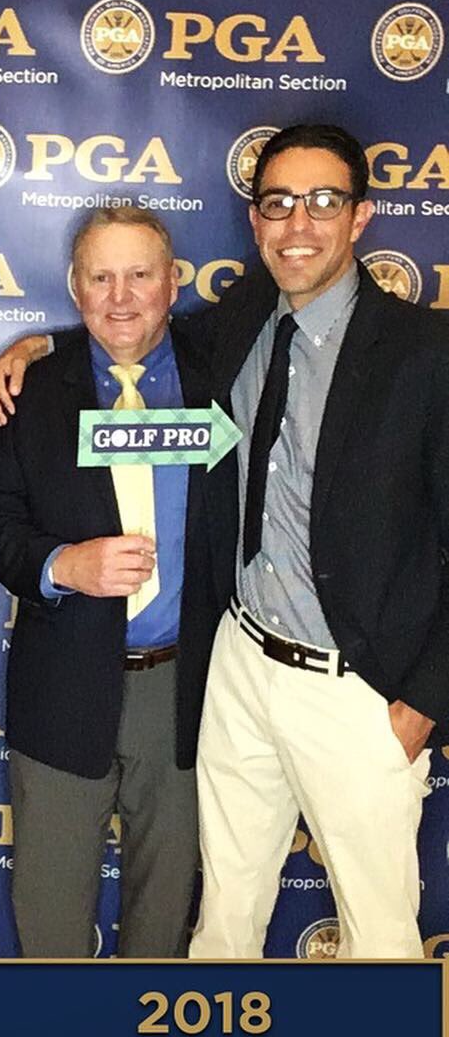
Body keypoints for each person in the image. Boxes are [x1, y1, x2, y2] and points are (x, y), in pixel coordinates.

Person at [188, 124, 448, 959]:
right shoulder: (240, 322)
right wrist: (42, 345)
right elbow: (137, 337)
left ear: (361, 216)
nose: (298, 224)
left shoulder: (426, 353)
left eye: (323, 201)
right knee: (223, 916)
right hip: (240, 659)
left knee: (379, 941)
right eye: (277, 204)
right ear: (254, 220)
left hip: (356, 688)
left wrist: (424, 698)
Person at [0, 207, 217, 958]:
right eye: (100, 277)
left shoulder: (227, 372)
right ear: (75, 289)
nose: (120, 296)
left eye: (139, 275)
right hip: (63, 684)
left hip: (187, 693)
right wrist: (60, 566)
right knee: (49, 914)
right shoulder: (31, 390)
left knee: (166, 911)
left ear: (172, 283)